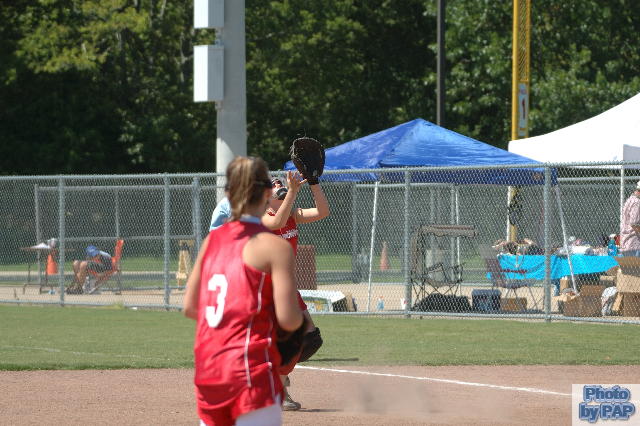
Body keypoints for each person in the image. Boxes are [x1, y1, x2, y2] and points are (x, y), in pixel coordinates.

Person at [183, 156, 304, 426]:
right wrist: (299, 322)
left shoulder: (211, 241)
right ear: (267, 193)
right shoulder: (274, 247)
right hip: (250, 371)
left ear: (229, 193)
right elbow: (289, 320)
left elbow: (190, 307)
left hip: (209, 370)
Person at [262, 171, 330, 411]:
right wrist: (291, 192)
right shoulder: (261, 218)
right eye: (273, 184)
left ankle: (275, 375)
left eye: (279, 181)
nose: (278, 184)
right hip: (267, 289)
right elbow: (276, 223)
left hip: (288, 287)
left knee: (311, 339)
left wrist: (313, 183)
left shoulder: (292, 214)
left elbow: (323, 212)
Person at [620, 180, 640, 257]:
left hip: (626, 242)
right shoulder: (637, 202)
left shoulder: (630, 199)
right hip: (634, 243)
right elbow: (634, 224)